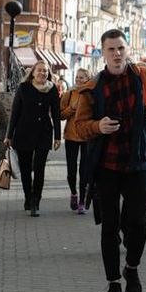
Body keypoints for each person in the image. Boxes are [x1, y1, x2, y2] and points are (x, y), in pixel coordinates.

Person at [68, 29, 146, 292]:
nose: (117, 54)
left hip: (139, 161)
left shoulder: (144, 76)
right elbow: (78, 127)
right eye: (111, 49)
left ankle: (132, 267)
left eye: (120, 48)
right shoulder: (93, 87)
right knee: (110, 225)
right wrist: (98, 126)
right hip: (107, 164)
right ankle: (113, 284)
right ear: (103, 53)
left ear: (127, 50)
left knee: (138, 222)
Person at [5, 60, 61, 217]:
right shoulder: (24, 88)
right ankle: (28, 197)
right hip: (24, 132)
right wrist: (9, 135)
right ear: (33, 73)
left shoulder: (52, 89)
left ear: (48, 73)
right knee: (25, 169)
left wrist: (58, 137)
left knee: (39, 167)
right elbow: (15, 112)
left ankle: (36, 200)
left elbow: (56, 113)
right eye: (39, 70)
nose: (42, 73)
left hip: (44, 133)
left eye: (45, 71)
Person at [60, 68, 93, 214]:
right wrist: (71, 109)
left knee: (85, 170)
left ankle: (82, 201)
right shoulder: (69, 94)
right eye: (77, 77)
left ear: (88, 79)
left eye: (82, 78)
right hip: (71, 136)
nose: (78, 80)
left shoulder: (92, 94)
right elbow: (60, 115)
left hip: (87, 136)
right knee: (71, 170)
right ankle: (74, 193)